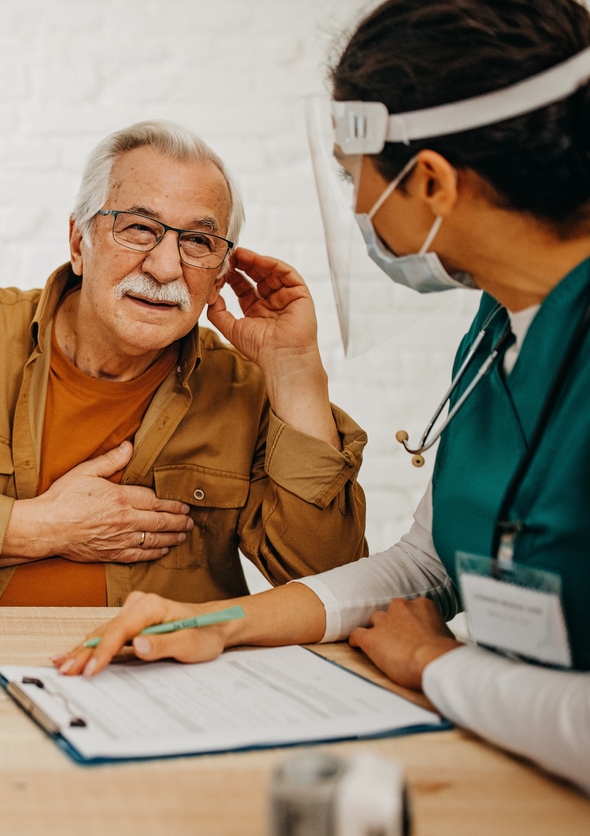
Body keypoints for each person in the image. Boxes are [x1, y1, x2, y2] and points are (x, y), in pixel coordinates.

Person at [59, 0, 590, 795]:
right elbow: (426, 565)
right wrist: (221, 622)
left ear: (433, 181)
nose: (352, 208)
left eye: (356, 179)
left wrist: (435, 665)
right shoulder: (499, 322)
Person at [0, 120, 368, 607]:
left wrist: (295, 370)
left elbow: (330, 581)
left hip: (158, 686)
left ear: (220, 274)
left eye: (197, 241)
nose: (164, 266)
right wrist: (44, 528)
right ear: (79, 243)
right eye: (138, 228)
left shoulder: (244, 389)